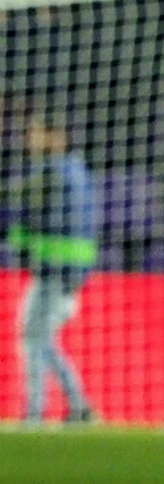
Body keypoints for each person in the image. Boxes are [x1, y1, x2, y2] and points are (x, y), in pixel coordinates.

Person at [6, 111, 98, 425]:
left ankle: (36, 413)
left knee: (34, 338)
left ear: (56, 136)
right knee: (38, 338)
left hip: (55, 273)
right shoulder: (77, 172)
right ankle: (78, 405)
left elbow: (31, 218)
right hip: (66, 273)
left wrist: (19, 242)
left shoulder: (52, 174)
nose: (29, 139)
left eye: (36, 132)